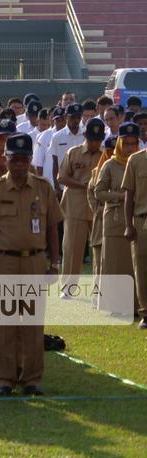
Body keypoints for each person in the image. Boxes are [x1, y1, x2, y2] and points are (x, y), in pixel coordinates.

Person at [0, 133, 63, 396]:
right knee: (4, 324)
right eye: (15, 160)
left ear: (30, 159)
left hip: (35, 261)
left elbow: (53, 227)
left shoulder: (43, 188)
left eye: (24, 159)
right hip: (4, 262)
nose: (20, 165)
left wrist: (55, 263)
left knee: (33, 324)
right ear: (6, 159)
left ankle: (32, 378)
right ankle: (4, 378)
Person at [94, 124, 137, 316]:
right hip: (114, 219)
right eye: (126, 144)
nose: (129, 148)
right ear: (119, 144)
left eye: (133, 144)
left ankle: (136, 304)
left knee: (134, 263)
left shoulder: (139, 162)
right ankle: (115, 306)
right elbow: (98, 192)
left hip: (136, 219)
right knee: (113, 263)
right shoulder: (110, 165)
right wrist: (122, 197)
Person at [57, 118, 105, 291]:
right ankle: (68, 287)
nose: (94, 143)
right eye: (91, 140)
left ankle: (100, 289)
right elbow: (61, 177)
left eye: (97, 140)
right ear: (85, 136)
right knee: (72, 248)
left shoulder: (106, 155)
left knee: (100, 249)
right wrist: (83, 185)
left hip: (98, 207)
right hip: (75, 205)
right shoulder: (73, 152)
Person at [120, 138, 147, 329]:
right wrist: (128, 225)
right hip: (141, 220)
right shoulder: (135, 160)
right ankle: (146, 313)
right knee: (142, 268)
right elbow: (129, 196)